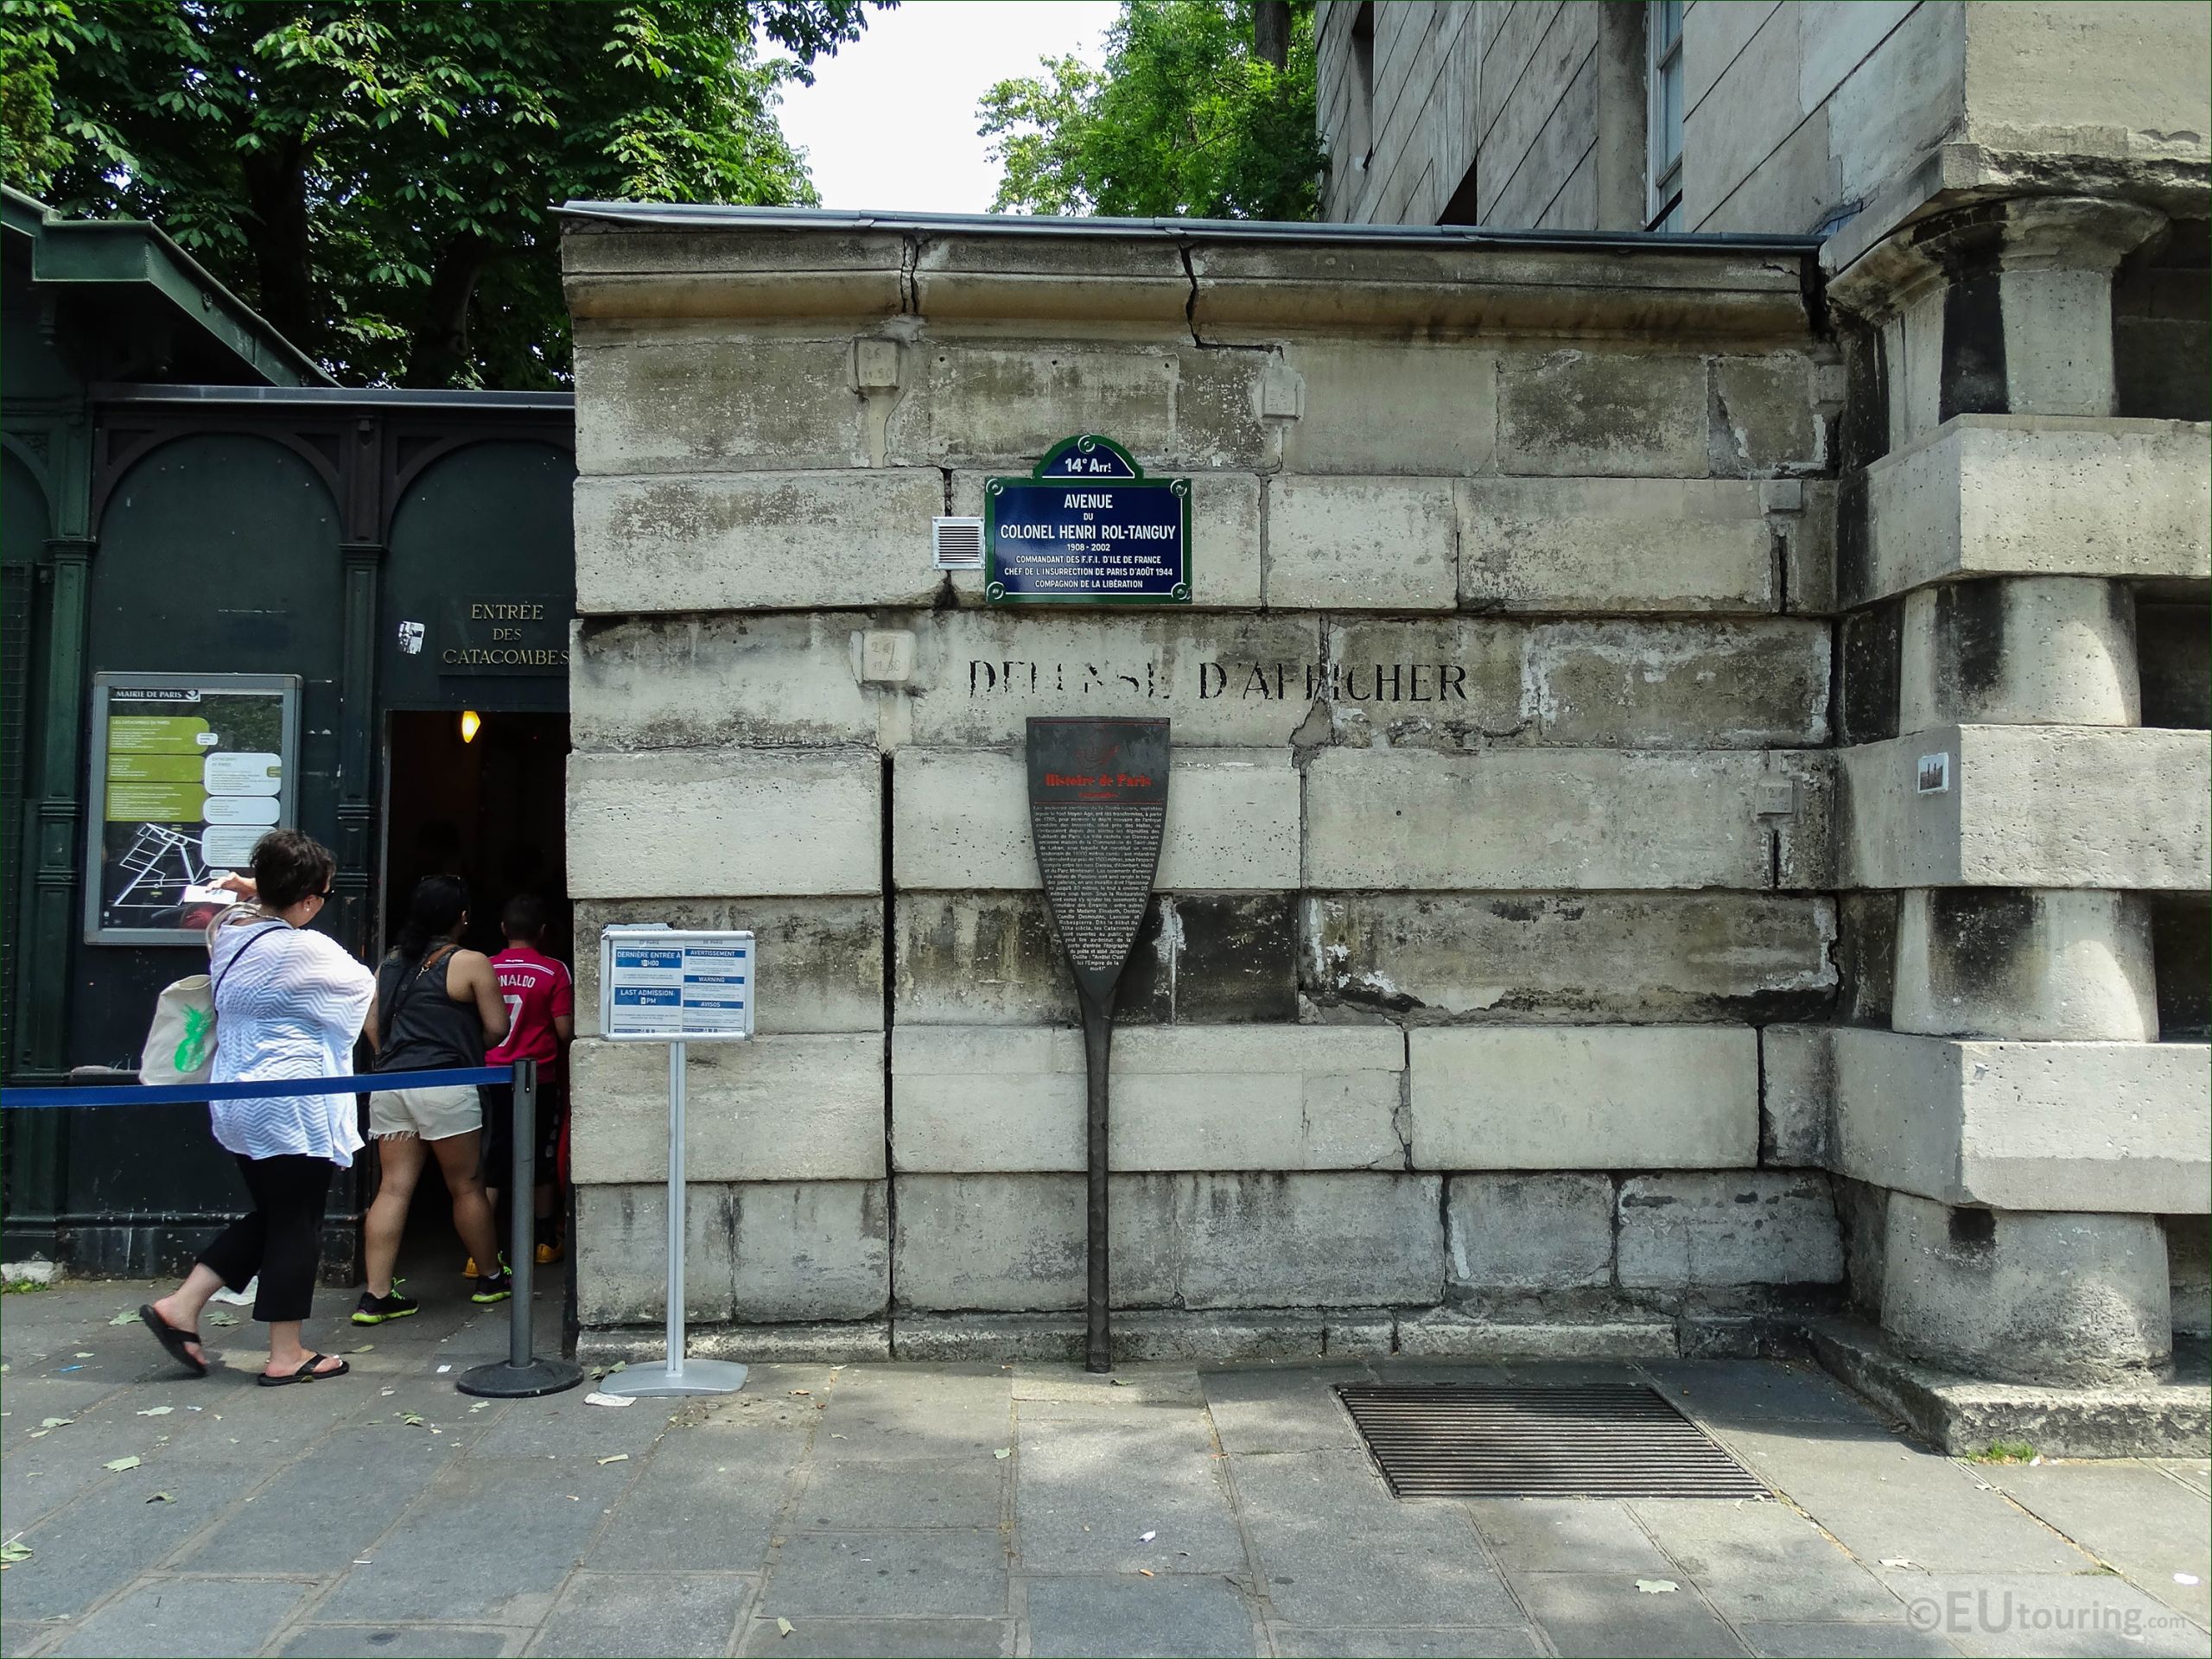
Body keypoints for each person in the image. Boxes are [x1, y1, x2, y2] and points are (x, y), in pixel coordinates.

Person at [138, 830, 375, 1386]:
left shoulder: (229, 933)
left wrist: (256, 891)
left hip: (238, 1097)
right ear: (311, 900)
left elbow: (248, 909)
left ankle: (182, 1306)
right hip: (292, 1103)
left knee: (274, 1214)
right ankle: (286, 1353)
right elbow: (362, 989)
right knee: (297, 1222)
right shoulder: (304, 948)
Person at [353, 874, 512, 1324]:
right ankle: (491, 1277)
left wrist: (393, 1055)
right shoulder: (470, 962)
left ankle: (377, 1296)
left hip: (390, 1084)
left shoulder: (390, 963)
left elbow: (371, 1023)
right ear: (462, 917)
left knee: (393, 1186)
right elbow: (498, 1028)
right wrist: (460, 1045)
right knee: (465, 1185)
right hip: (447, 1083)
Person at [480, 893, 574, 1269]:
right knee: (541, 1158)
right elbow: (565, 1030)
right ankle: (545, 1241)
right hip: (539, 1078)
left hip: (489, 1076)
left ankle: (481, 1252)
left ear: (503, 929)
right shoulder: (554, 971)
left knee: (489, 1161)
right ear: (543, 932)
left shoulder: (482, 966)